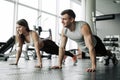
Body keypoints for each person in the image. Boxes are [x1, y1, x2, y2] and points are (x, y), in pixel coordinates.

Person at [51, 9, 118, 72]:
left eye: (64, 19)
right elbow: (62, 48)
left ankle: (112, 55)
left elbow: (91, 47)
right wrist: (59, 64)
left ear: (71, 19)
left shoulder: (83, 27)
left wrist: (93, 66)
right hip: (85, 48)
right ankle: (108, 56)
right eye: (61, 19)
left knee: (104, 53)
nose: (61, 22)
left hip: (96, 44)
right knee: (99, 54)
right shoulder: (64, 30)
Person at [10, 19, 77, 68]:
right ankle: (64, 55)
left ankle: (73, 56)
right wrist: (16, 62)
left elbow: (37, 49)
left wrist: (40, 63)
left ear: (25, 26)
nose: (18, 29)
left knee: (60, 51)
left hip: (48, 44)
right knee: (56, 53)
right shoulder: (20, 36)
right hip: (44, 49)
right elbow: (19, 50)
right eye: (16, 28)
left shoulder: (33, 33)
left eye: (19, 27)